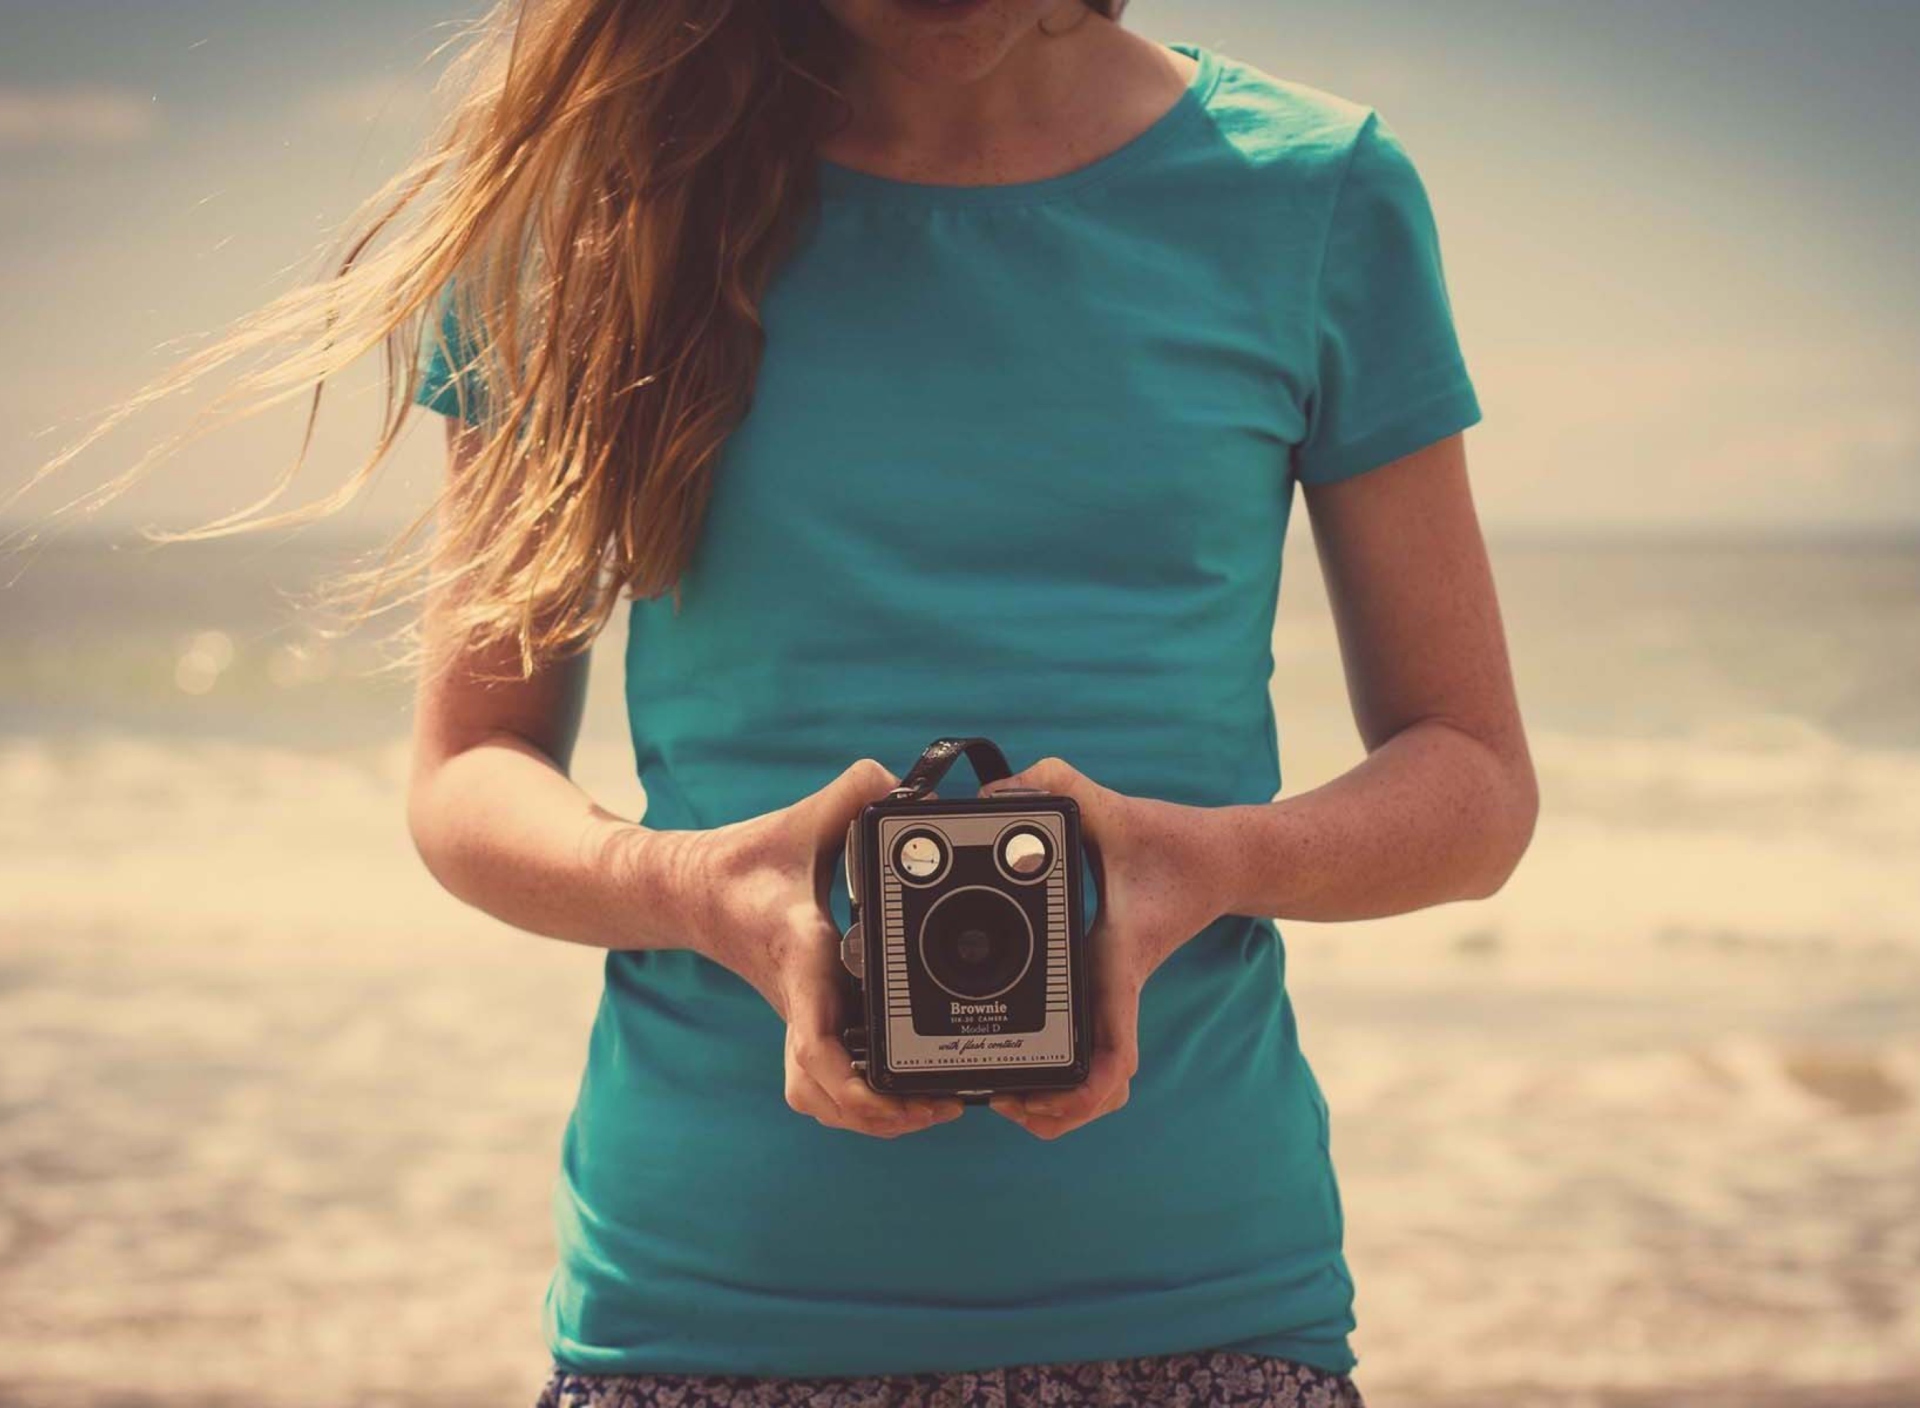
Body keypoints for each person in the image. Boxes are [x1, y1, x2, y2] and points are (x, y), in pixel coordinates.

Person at [30, 1, 1538, 1404]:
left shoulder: (1313, 193)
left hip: (1205, 1312)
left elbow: (1471, 775)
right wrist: (703, 890)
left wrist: (1206, 862)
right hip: (700, 1321)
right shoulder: (593, 202)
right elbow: (470, 770)